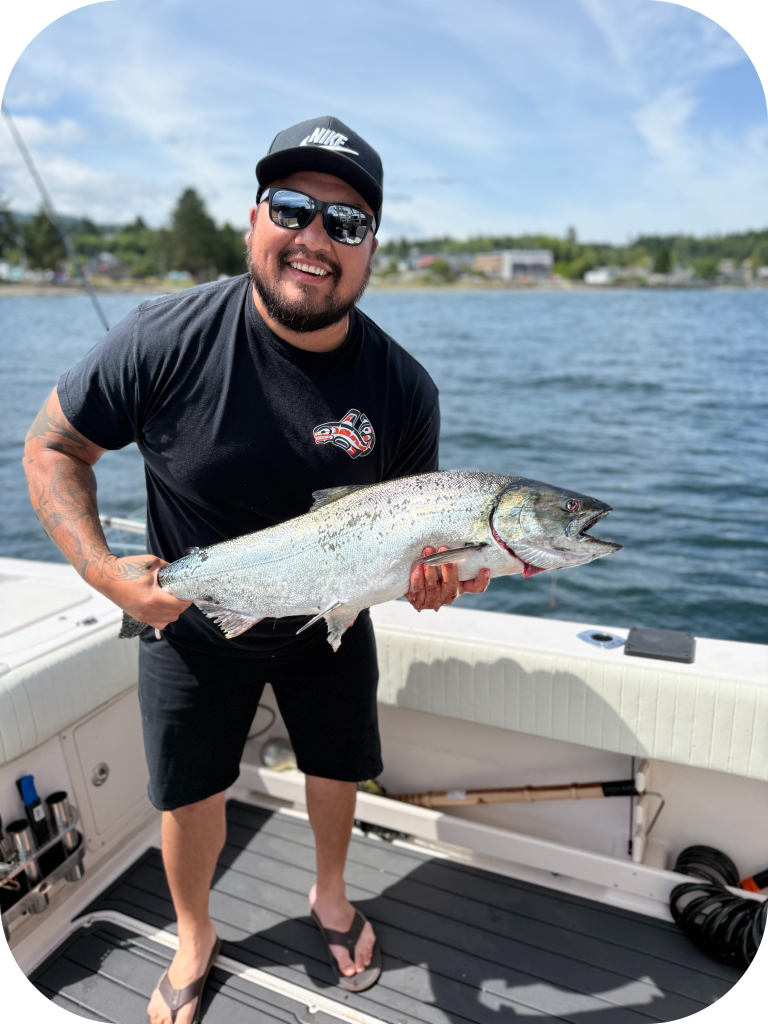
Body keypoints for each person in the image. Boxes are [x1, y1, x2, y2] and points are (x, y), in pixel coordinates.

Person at [23, 115, 490, 1024]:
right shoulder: (163, 337)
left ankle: (328, 893)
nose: (316, 238)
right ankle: (195, 935)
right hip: (193, 620)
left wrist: (432, 576)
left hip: (334, 616)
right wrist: (108, 578)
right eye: (294, 209)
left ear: (370, 250)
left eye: (346, 223)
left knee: (336, 765)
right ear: (254, 220)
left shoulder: (404, 388)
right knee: (188, 788)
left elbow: (419, 536)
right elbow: (52, 447)